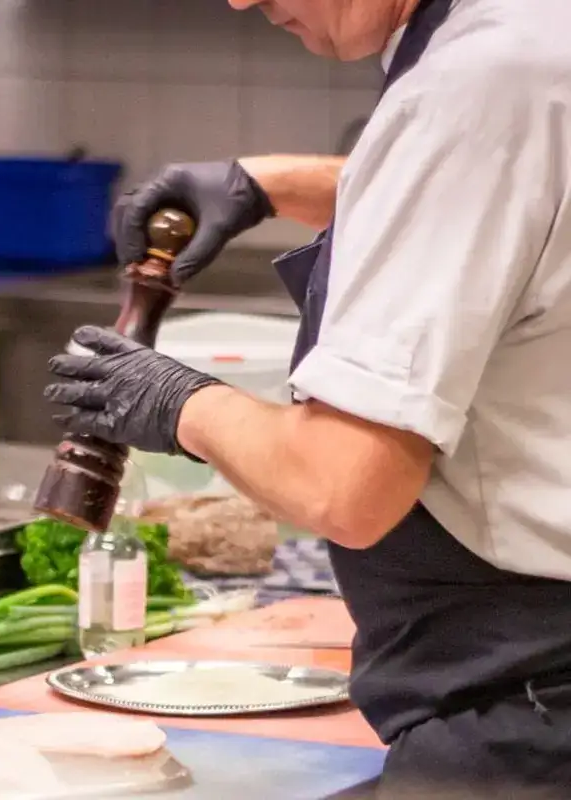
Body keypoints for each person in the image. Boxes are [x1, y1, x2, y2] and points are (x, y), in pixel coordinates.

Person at [44, 0, 571, 796]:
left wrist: (178, 403)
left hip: (526, 709)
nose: (240, 0)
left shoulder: (477, 85)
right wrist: (267, 186)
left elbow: (346, 486)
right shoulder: (534, 36)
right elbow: (487, 196)